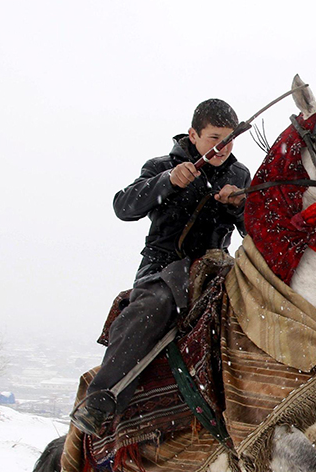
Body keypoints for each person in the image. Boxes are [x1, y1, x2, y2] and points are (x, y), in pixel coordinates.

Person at [71, 99, 251, 436]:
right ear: (193, 135)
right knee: (153, 306)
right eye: (214, 138)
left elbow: (252, 229)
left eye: (229, 139)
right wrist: (167, 181)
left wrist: (242, 204)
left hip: (218, 270)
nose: (222, 147)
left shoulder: (239, 174)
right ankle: (99, 400)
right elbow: (124, 206)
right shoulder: (160, 166)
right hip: (164, 267)